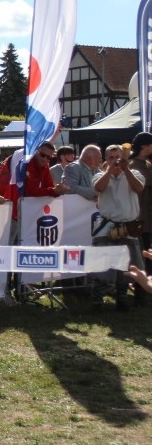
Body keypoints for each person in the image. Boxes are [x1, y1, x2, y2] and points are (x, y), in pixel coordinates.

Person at [90, 144, 145, 312]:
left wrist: (125, 170)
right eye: (111, 157)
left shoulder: (134, 173)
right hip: (108, 225)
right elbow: (98, 188)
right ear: (106, 159)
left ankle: (122, 300)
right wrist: (109, 171)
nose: (115, 161)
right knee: (103, 266)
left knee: (126, 267)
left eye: (117, 157)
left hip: (128, 226)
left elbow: (138, 188)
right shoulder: (100, 175)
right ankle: (97, 303)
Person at [128, 132, 152, 279]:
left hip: (147, 218)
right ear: (144, 146)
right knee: (141, 256)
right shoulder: (134, 165)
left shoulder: (146, 164)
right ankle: (141, 291)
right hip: (139, 219)